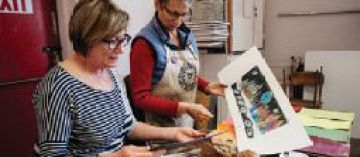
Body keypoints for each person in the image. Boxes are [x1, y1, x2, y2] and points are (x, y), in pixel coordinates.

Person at [32, 0, 206, 156]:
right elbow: (52, 155)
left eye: (123, 39)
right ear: (88, 38)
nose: (121, 49)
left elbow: (129, 126)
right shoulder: (57, 86)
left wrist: (174, 133)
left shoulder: (110, 73)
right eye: (112, 41)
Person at [130, 0, 227, 128]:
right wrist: (182, 107)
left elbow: (181, 73)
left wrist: (206, 86)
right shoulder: (144, 44)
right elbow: (140, 98)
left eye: (184, 14)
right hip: (158, 130)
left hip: (186, 124)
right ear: (157, 4)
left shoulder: (186, 35)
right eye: (173, 13)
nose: (178, 21)